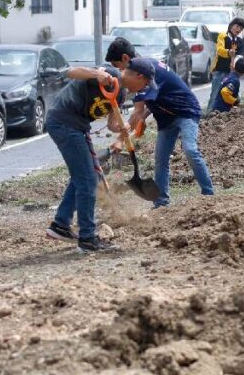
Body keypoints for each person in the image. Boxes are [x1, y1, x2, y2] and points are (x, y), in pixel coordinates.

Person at [44, 62, 149, 253]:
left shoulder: (121, 93)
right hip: (64, 123)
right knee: (88, 179)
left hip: (78, 127)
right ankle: (87, 239)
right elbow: (70, 72)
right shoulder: (109, 74)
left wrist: (121, 127)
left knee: (82, 177)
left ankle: (60, 225)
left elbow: (110, 123)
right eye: (146, 84)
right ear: (139, 77)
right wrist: (95, 74)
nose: (144, 89)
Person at [106, 40, 215, 207]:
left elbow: (137, 110)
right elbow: (157, 97)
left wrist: (121, 139)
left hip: (186, 112)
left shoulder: (143, 72)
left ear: (125, 58)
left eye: (117, 66)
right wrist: (142, 117)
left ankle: (209, 195)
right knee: (160, 159)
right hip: (166, 118)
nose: (118, 72)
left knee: (190, 149)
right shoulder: (143, 67)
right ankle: (161, 202)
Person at [206, 18, 244, 114]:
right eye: (236, 26)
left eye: (240, 28)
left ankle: (234, 113)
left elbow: (241, 55)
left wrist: (236, 62)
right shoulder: (223, 36)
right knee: (215, 93)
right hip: (220, 70)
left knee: (235, 92)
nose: (238, 29)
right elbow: (220, 50)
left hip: (232, 72)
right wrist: (228, 52)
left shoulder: (240, 41)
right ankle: (209, 114)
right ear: (231, 25)